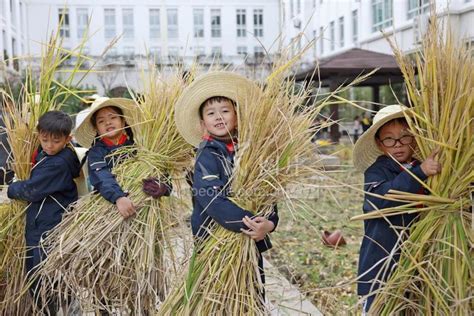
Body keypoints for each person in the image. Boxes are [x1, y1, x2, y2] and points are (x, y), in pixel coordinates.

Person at [174, 72, 279, 301]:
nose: (218, 117)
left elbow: (266, 193)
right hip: (215, 240)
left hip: (249, 241)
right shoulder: (207, 156)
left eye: (225, 110)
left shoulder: (252, 153)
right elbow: (213, 202)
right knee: (219, 298)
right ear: (203, 123)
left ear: (238, 116)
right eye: (211, 113)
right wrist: (252, 224)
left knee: (252, 296)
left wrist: (269, 224)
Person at [74, 97, 170, 313]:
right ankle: (103, 308)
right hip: (108, 213)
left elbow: (163, 174)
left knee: (141, 268)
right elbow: (102, 177)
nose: (108, 122)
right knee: (105, 265)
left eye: (113, 117)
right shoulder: (97, 152)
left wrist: (162, 187)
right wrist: (118, 197)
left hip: (142, 217)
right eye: (101, 121)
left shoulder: (141, 147)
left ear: (124, 121)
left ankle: (141, 307)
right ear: (96, 130)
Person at [353, 105, 442, 314]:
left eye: (405, 137)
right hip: (382, 265)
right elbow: (380, 200)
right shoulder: (377, 171)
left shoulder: (424, 167)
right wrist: (419, 172)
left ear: (415, 138)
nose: (398, 145)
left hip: (418, 262)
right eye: (389, 139)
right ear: (380, 144)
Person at [7, 110, 81, 314]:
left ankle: (63, 310)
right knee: (40, 276)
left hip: (48, 229)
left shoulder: (57, 164)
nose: (49, 145)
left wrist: (11, 187)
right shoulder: (48, 154)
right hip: (43, 225)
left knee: (43, 279)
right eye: (44, 139)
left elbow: (32, 190)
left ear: (68, 139)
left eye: (55, 141)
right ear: (38, 134)